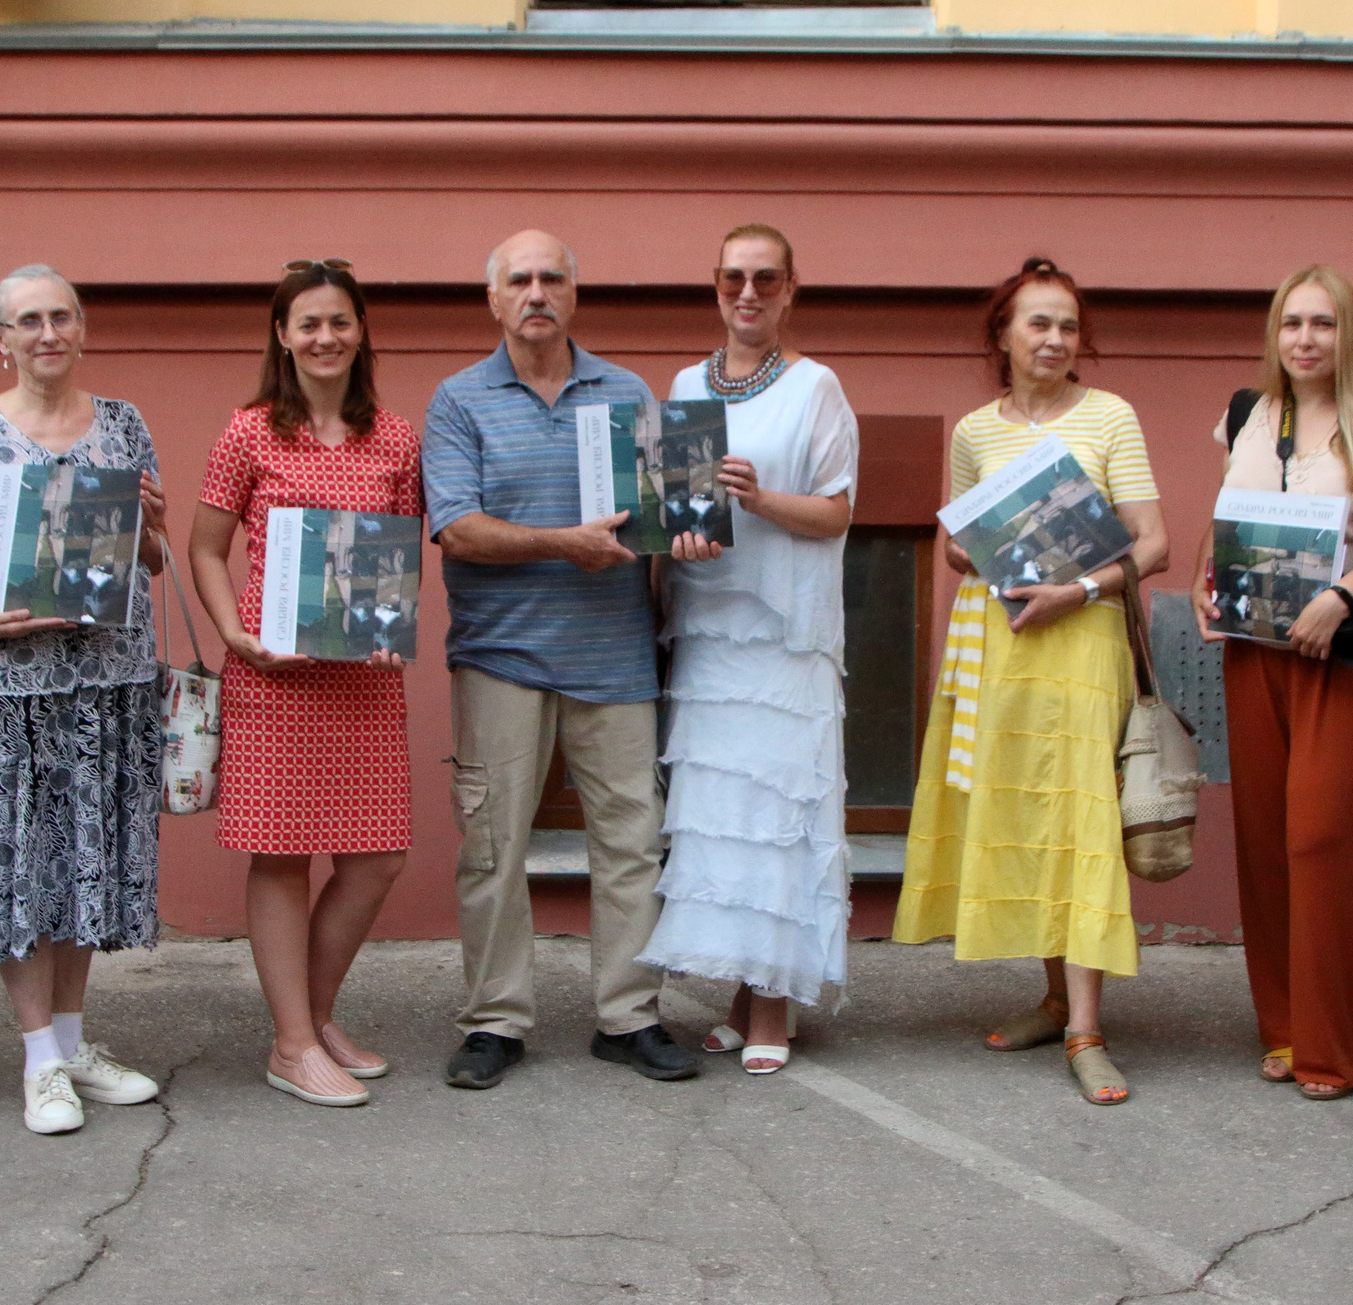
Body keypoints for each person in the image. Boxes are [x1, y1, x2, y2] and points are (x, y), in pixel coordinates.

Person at [0, 266, 169, 1137]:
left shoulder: (123, 423)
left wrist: (153, 523)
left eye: (61, 316)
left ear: (83, 327)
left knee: (85, 861)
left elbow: (153, 564)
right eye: (28, 321)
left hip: (105, 684)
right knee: (17, 865)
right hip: (3, 686)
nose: (47, 332)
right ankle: (39, 1060)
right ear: (0, 338)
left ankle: (76, 1041)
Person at [423, 230, 698, 1088]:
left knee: (631, 841)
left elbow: (660, 517)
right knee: (494, 847)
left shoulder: (627, 392)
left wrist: (687, 532)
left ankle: (629, 1014)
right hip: (501, 656)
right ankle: (496, 1021)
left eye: (551, 277)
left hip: (616, 657)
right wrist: (559, 543)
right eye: (519, 280)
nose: (536, 292)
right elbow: (456, 527)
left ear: (574, 293)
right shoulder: (458, 400)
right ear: (495, 300)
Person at [894, 256, 1169, 1106]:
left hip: (1082, 638)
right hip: (1003, 642)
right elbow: (953, 543)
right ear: (1002, 338)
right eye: (1037, 323)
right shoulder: (977, 430)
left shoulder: (1111, 417)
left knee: (1079, 819)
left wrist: (1080, 586)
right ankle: (1055, 999)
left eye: (1066, 325)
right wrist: (981, 540)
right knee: (1026, 810)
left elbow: (1151, 540)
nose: (1054, 338)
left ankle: (1087, 1027)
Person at [191, 259, 422, 1109]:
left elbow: (396, 553)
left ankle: (314, 1019)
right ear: (282, 338)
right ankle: (292, 1044)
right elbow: (205, 546)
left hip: (363, 680)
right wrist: (235, 634)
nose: (325, 337)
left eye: (340, 322)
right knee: (283, 854)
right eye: (308, 324)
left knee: (378, 856)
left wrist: (392, 627)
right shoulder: (248, 432)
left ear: (361, 332)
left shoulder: (395, 437)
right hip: (274, 676)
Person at [1193, 266, 1353, 1099]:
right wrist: (1201, 580)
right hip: (1255, 650)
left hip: (1348, 657)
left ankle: (1332, 1045)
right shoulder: (1248, 416)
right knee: (1264, 840)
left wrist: (1339, 598)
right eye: (1291, 323)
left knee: (1323, 841)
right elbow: (1227, 519)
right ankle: (1284, 1027)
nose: (1304, 339)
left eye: (1322, 324)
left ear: (1347, 335)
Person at [637, 225, 860, 1074]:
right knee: (721, 818)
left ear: (791, 288)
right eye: (734, 277)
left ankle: (775, 1001)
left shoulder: (816, 389)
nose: (749, 293)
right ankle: (741, 986)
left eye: (767, 278)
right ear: (715, 286)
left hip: (781, 639)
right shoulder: (687, 384)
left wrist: (761, 500)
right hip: (708, 628)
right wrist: (679, 540)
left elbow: (837, 512)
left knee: (775, 820)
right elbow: (672, 507)